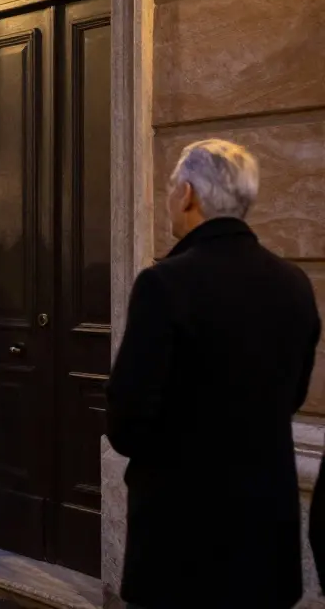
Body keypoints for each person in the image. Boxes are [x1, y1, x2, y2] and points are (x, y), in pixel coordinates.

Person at [107, 140, 321, 609]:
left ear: (187, 194)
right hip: (267, 536)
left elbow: (127, 421)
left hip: (183, 541)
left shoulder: (163, 284)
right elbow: (293, 395)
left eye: (170, 188)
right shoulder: (294, 284)